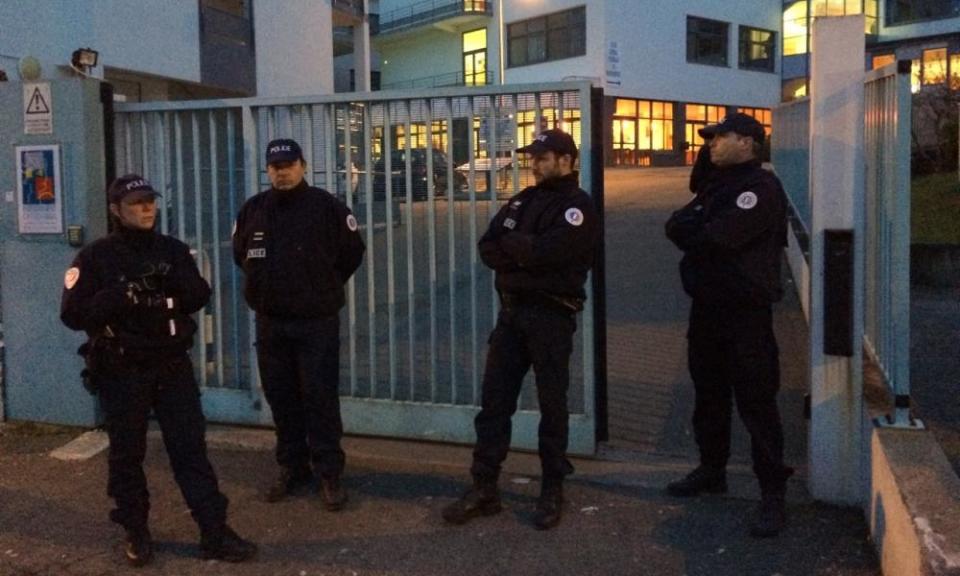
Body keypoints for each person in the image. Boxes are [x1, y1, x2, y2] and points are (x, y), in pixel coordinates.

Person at [60, 174, 257, 566]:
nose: (147, 208)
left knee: (190, 451)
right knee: (127, 456)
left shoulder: (172, 250)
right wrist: (115, 298)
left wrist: (181, 283)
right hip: (122, 369)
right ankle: (136, 530)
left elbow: (199, 295)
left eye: (150, 201)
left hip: (170, 367)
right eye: (136, 203)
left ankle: (214, 531)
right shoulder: (95, 258)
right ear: (117, 210)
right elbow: (72, 314)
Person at [442, 129, 599, 531]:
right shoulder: (522, 200)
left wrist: (520, 250)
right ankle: (484, 486)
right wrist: (524, 251)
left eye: (543, 157)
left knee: (552, 406)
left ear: (566, 159)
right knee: (494, 403)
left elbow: (551, 253)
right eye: (533, 157)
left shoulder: (577, 206)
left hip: (551, 318)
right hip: (511, 317)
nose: (534, 163)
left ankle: (551, 488)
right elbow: (488, 246)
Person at [664, 113, 793, 538]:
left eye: (720, 137)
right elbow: (675, 225)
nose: (710, 144)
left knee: (757, 404)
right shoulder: (717, 185)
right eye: (710, 138)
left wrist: (697, 231)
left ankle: (773, 495)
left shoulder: (760, 188)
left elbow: (716, 238)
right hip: (708, 311)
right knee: (709, 395)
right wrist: (698, 229)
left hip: (745, 316)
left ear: (748, 142)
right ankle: (711, 469)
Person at [233, 138, 365, 509]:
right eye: (275, 166)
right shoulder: (253, 210)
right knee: (282, 399)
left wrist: (320, 287)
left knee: (320, 399)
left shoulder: (327, 208)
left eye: (289, 164)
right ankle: (292, 467)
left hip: (316, 322)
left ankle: (329, 473)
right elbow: (240, 255)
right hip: (271, 322)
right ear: (267, 170)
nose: (282, 171)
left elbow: (352, 254)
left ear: (303, 166)